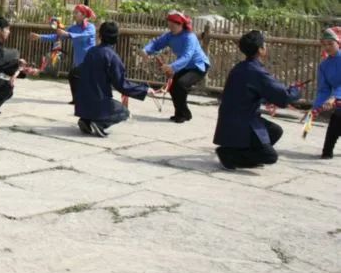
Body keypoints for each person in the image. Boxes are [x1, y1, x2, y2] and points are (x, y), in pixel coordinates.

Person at [213, 30, 302, 170]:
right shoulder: (256, 71)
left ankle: (240, 155)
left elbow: (252, 93)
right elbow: (284, 97)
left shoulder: (240, 67)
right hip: (242, 122)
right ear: (260, 50)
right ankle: (228, 154)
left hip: (232, 120)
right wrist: (296, 89)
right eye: (264, 45)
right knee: (270, 157)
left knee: (275, 131)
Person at [75, 22, 152, 137]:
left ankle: (86, 120)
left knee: (95, 96)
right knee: (124, 112)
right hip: (98, 102)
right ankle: (100, 123)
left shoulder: (91, 52)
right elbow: (121, 85)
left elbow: (77, 73)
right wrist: (144, 90)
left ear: (100, 35)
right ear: (116, 38)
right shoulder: (112, 57)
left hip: (81, 103)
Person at [144, 10, 210, 124]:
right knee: (173, 86)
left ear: (181, 25)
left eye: (174, 25)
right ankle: (181, 113)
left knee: (181, 84)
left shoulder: (190, 37)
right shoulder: (169, 36)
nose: (171, 27)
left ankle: (183, 114)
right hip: (185, 66)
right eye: (170, 25)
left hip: (199, 66)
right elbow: (156, 44)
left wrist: (171, 66)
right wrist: (145, 50)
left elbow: (187, 56)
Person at [30, 5, 96, 104]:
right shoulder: (73, 28)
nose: (74, 14)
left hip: (90, 59)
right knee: (74, 77)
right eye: (74, 12)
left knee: (86, 80)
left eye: (76, 12)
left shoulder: (90, 27)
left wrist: (67, 34)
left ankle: (91, 100)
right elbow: (57, 37)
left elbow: (83, 36)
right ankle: (77, 99)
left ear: (83, 15)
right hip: (79, 61)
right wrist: (40, 37)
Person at [313, 27, 341, 159]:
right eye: (324, 44)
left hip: (338, 98)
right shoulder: (324, 66)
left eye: (330, 43)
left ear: (338, 43)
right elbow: (324, 89)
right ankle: (327, 151)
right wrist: (315, 109)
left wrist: (335, 97)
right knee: (338, 116)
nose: (327, 47)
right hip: (338, 100)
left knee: (337, 116)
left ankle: (327, 150)